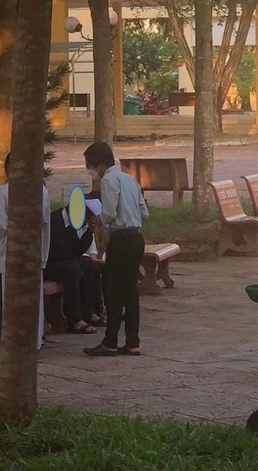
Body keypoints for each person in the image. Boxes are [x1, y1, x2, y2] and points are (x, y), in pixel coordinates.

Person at [82, 142, 149, 357]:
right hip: (136, 238)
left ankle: (110, 341)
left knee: (113, 292)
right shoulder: (129, 179)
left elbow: (109, 213)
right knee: (130, 292)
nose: (91, 172)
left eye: (90, 166)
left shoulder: (109, 180)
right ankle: (132, 341)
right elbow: (144, 212)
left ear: (100, 165)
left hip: (120, 240)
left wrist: (98, 219)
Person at [0, 153, 51, 350]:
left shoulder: (4, 192)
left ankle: (14, 342)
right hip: (34, 250)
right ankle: (35, 339)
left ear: (8, 170)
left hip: (12, 252)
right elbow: (45, 221)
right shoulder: (42, 191)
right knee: (33, 298)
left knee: (12, 298)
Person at [46, 203, 105, 333]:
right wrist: (77, 260)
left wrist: (89, 232)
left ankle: (88, 312)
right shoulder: (55, 221)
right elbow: (57, 252)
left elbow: (77, 249)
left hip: (62, 260)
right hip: (47, 264)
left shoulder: (71, 224)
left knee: (89, 264)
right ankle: (74, 319)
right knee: (72, 268)